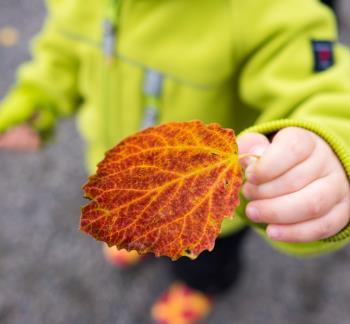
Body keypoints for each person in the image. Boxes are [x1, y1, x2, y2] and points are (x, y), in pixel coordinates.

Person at [1, 0, 350, 323]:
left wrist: (328, 145)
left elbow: (325, 87)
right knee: (132, 222)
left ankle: (204, 286)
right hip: (124, 177)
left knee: (203, 261)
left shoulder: (266, 11)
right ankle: (141, 241)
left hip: (207, 208)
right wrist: (37, 99)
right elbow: (61, 51)